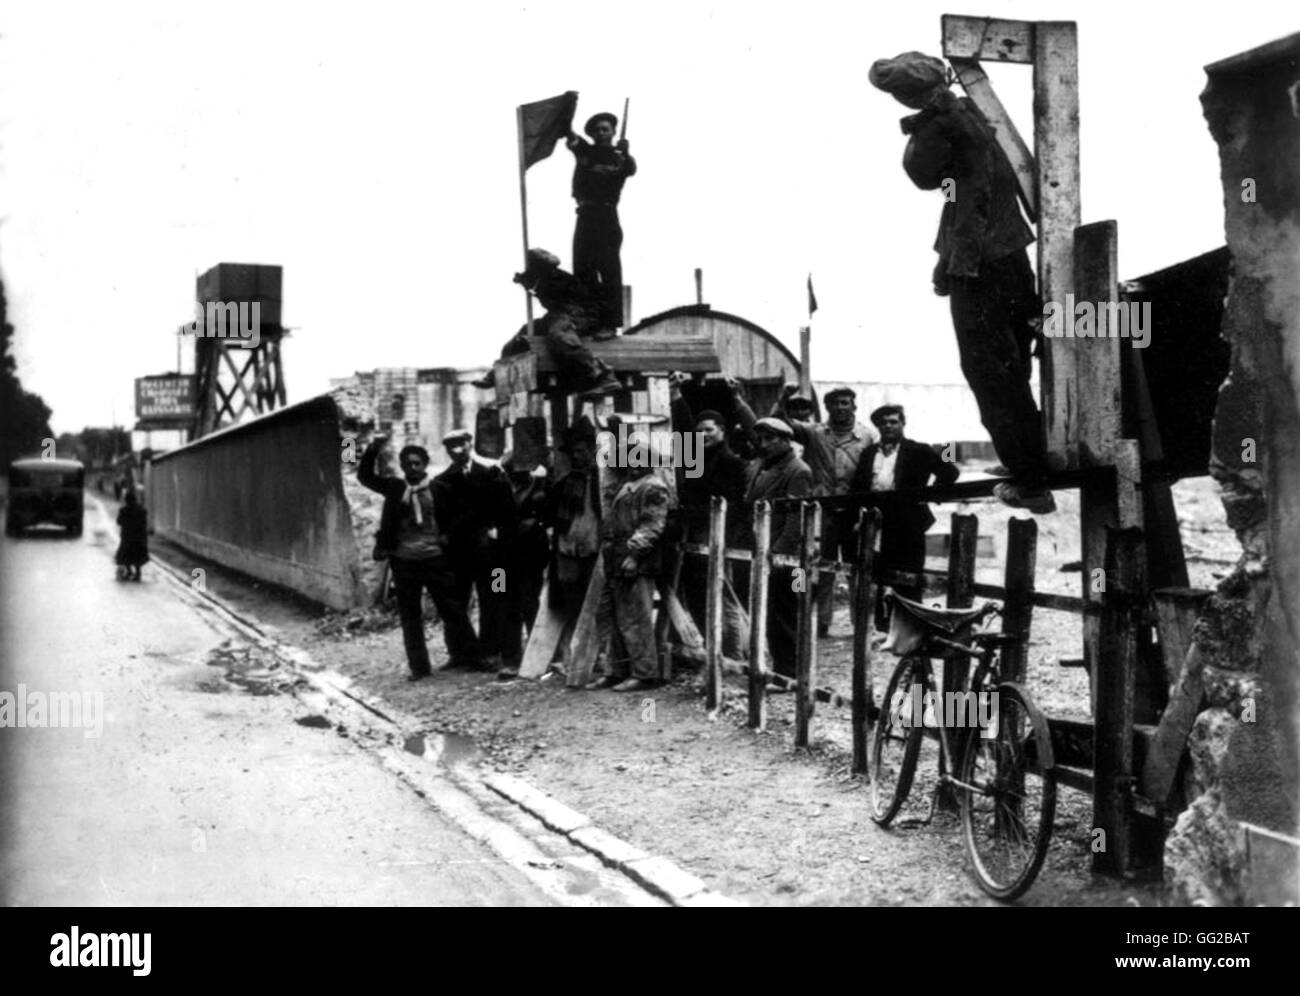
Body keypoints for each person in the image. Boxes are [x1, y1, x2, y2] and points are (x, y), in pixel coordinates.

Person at [869, 51, 1055, 514]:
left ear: (909, 95)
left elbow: (939, 185)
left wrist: (957, 268)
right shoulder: (971, 115)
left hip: (982, 268)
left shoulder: (949, 125)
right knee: (1012, 369)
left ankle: (1032, 481)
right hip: (1010, 260)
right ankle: (1027, 464)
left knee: (989, 373)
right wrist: (943, 262)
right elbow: (959, 203)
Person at [359, 436, 480, 679]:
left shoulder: (439, 488)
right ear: (402, 466)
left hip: (434, 557)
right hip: (403, 560)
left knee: (453, 610)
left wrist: (447, 534)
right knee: (410, 616)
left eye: (417, 463)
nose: (412, 468)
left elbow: (465, 512)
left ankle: (474, 657)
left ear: (425, 464)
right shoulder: (395, 488)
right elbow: (365, 477)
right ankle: (419, 668)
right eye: (408, 464)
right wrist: (372, 448)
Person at [774, 384, 877, 636]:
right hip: (822, 511)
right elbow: (779, 424)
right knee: (817, 566)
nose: (841, 407)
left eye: (845, 402)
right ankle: (820, 622)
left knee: (859, 567)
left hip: (855, 512)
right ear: (828, 407)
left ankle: (861, 622)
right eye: (835, 403)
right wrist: (782, 399)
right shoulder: (814, 432)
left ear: (853, 406)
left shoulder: (867, 436)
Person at [850, 404, 959, 612]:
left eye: (893, 422)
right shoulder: (869, 453)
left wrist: (932, 494)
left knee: (908, 578)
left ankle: (910, 629)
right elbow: (858, 488)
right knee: (878, 575)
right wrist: (858, 519)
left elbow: (950, 470)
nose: (888, 426)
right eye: (883, 423)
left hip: (908, 523)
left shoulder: (919, 450)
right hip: (876, 524)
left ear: (903, 424)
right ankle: (883, 629)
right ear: (878, 427)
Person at [586, 428, 670, 693]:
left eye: (638, 457)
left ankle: (645, 674)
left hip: (636, 561)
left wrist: (634, 556)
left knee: (636, 619)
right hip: (615, 557)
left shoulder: (653, 486)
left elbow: (651, 527)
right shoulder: (628, 484)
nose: (633, 462)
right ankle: (615, 670)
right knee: (611, 617)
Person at [433, 429, 518, 673]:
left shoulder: (492, 471)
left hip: (494, 556)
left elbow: (508, 512)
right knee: (456, 602)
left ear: (470, 444)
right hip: (460, 555)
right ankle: (460, 652)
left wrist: (499, 538)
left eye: (459, 445)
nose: (454, 451)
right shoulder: (443, 479)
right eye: (449, 447)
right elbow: (442, 518)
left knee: (494, 599)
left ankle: (492, 652)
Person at [744, 417, 814, 680]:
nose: (764, 444)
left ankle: (791, 672)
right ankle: (781, 668)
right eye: (761, 439)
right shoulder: (759, 466)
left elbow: (796, 520)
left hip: (789, 559)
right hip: (762, 549)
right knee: (771, 613)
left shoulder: (798, 471)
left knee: (788, 613)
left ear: (785, 440)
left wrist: (777, 554)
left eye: (770, 439)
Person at [506, 248, 623, 398]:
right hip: (559, 314)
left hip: (578, 314)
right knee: (525, 332)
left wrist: (528, 285)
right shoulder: (542, 278)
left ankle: (603, 375)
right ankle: (499, 369)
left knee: (559, 336)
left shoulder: (558, 279)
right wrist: (526, 282)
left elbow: (549, 293)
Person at [566, 111, 637, 331]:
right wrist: (568, 109)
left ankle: (610, 324)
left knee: (609, 270)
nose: (601, 133)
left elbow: (630, 169)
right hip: (585, 215)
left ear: (614, 132)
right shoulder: (585, 151)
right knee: (582, 268)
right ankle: (589, 321)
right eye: (597, 130)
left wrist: (626, 153)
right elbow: (571, 137)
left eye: (605, 129)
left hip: (606, 216)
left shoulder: (621, 157)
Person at [500, 451, 551, 669]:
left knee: (529, 603)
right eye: (510, 471)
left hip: (530, 558)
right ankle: (509, 657)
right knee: (502, 602)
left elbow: (546, 514)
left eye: (517, 470)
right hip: (499, 563)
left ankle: (533, 657)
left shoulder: (539, 487)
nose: (513, 474)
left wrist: (534, 523)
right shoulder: (500, 487)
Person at [115, 489, 149, 581]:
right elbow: (144, 522)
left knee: (125, 555)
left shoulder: (123, 510)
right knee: (137, 555)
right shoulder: (142, 510)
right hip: (139, 537)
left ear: (126, 500)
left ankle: (129, 571)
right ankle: (138, 573)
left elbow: (118, 521)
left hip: (127, 537)